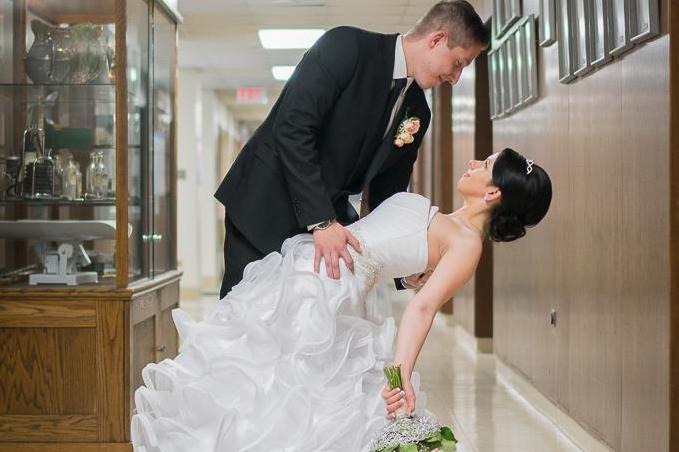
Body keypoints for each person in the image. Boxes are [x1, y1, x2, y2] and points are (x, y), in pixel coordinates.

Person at [131, 148, 553, 452]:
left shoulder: (466, 245)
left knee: (287, 392)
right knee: (263, 381)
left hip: (332, 291)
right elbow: (405, 261)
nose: (473, 163)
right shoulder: (447, 222)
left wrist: (400, 375)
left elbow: (424, 309)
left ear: (494, 193)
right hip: (313, 271)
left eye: (485, 165)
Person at [215, 0, 490, 298]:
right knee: (247, 319)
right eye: (459, 63)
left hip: (322, 226)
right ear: (437, 39)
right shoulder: (347, 47)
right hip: (265, 205)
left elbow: (388, 194)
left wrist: (404, 266)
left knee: (301, 330)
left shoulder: (417, 112)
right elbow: (292, 129)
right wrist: (322, 221)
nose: (455, 78)